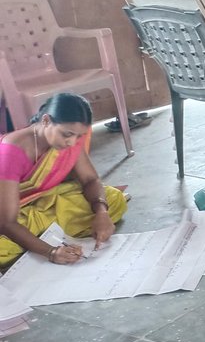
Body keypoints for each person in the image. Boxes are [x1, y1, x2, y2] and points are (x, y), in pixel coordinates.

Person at [0, 93, 127, 267]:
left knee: (113, 199)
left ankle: (41, 237)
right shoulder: (11, 151)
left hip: (46, 204)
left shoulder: (70, 140)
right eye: (67, 134)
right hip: (13, 214)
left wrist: (101, 213)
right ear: (46, 121)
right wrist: (51, 252)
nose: (72, 142)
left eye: (79, 136)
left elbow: (90, 179)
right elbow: (6, 222)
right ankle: (44, 238)